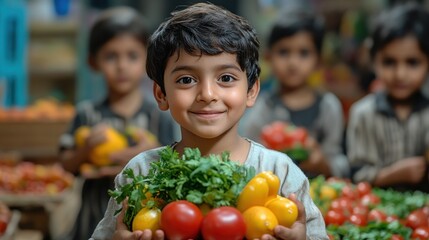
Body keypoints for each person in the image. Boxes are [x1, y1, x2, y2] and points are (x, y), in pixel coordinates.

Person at [91, 3, 328, 240]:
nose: (207, 94)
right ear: (161, 94)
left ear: (251, 91)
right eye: (186, 80)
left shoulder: (282, 173)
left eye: (225, 78)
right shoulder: (140, 172)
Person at [58, 6, 180, 240]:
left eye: (132, 56)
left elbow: (173, 170)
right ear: (93, 62)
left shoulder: (160, 116)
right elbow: (65, 164)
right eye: (111, 56)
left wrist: (148, 155)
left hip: (142, 224)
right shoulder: (86, 114)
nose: (122, 65)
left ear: (148, 60)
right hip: (90, 219)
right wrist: (86, 150)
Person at [240, 8, 349, 179]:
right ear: (268, 57)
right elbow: (247, 158)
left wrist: (322, 162)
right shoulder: (261, 108)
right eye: (284, 52)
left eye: (304, 53)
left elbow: (340, 162)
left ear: (319, 60)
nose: (293, 62)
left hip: (320, 194)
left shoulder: (329, 106)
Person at [347, 3, 429, 192]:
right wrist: (393, 174)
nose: (400, 74)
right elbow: (356, 175)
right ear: (374, 60)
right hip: (376, 212)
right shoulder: (363, 114)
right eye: (389, 62)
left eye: (413, 63)